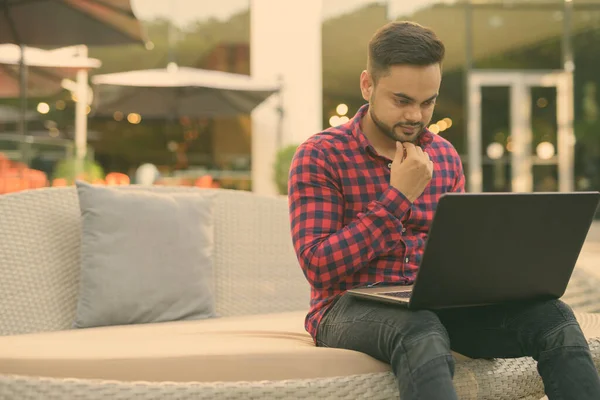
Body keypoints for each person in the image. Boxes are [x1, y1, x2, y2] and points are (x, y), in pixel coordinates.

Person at [287, 21, 600, 400]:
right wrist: (399, 197)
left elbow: (461, 255)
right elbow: (318, 266)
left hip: (439, 303)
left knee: (555, 318)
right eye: (401, 100)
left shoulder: (445, 157)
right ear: (367, 85)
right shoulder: (320, 155)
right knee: (420, 329)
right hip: (346, 306)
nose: (416, 116)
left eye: (428, 102)